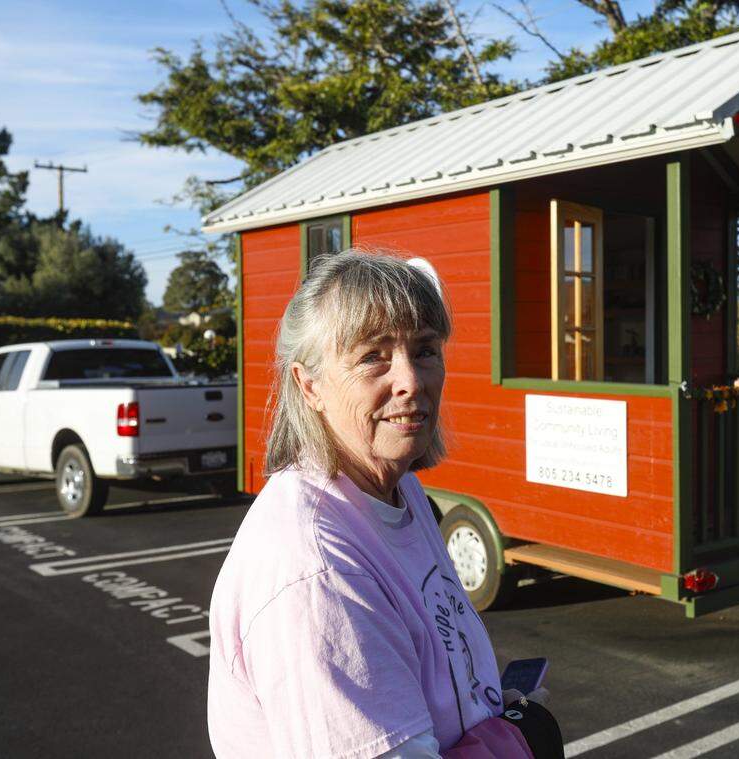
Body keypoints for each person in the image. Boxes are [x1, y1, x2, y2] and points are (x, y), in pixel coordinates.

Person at [207, 249, 540, 758]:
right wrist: (521, 739)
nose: (411, 380)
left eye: (425, 350)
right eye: (372, 356)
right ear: (309, 385)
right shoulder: (315, 570)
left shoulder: (399, 488)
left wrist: (492, 713)